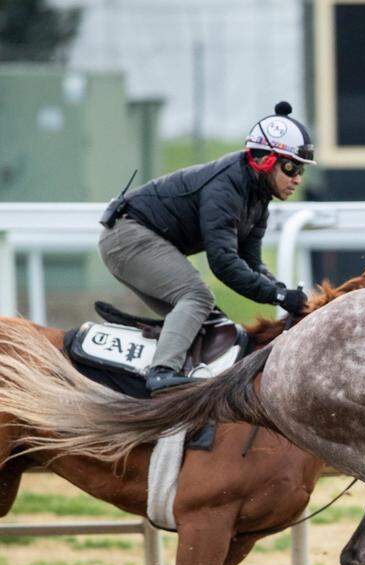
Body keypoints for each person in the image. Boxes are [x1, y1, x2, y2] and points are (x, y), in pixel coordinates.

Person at [98, 101, 314, 395]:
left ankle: (173, 380)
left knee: (211, 321)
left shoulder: (258, 198)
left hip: (137, 237)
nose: (298, 178)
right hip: (127, 236)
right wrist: (278, 296)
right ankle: (161, 373)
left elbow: (250, 263)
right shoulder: (226, 188)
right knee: (196, 297)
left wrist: (282, 291)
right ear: (264, 159)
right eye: (291, 167)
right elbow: (223, 263)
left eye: (300, 169)